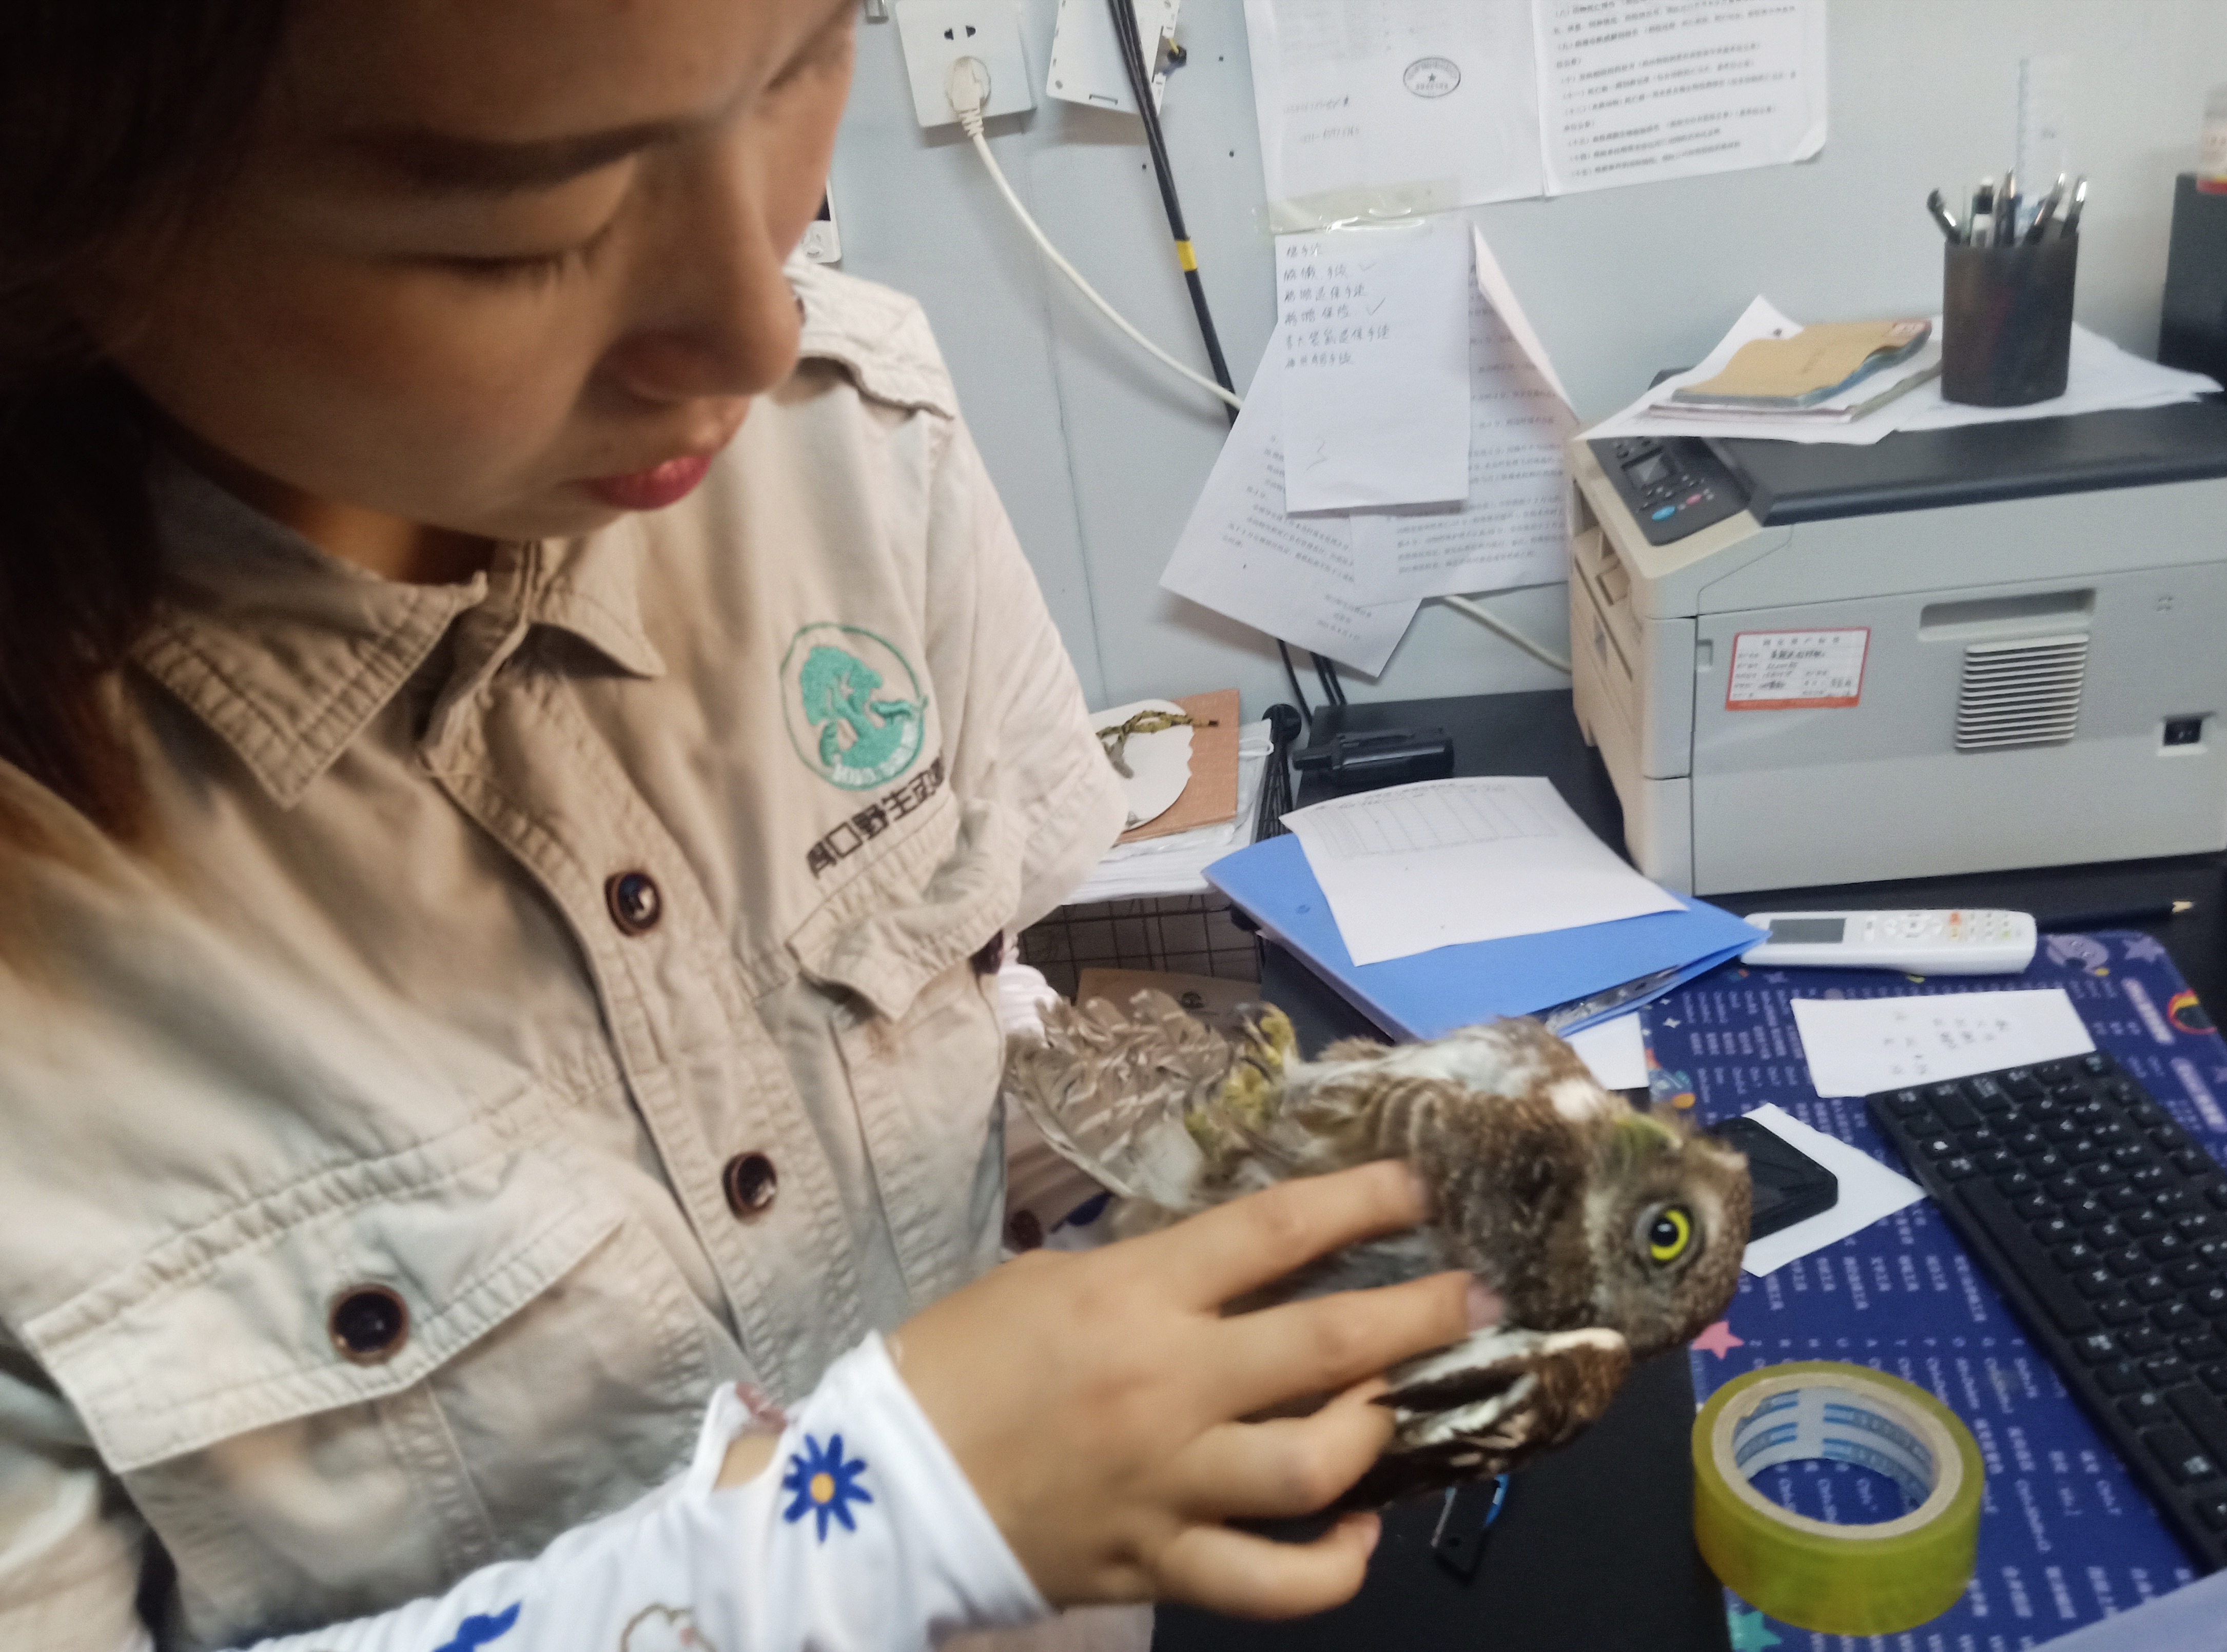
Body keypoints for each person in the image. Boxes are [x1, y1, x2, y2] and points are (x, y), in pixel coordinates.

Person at [0, 2, 1492, 1649]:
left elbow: (955, 1012)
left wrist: (1232, 1158)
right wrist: (852, 1532)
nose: (757, 327)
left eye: (800, 63)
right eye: (527, 229)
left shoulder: (852, 440)